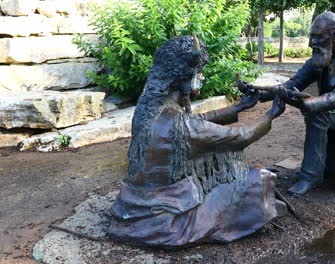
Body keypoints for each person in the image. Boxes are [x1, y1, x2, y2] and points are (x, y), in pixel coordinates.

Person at [107, 35, 286, 247]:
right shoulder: (180, 126)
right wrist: (271, 115)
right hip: (168, 220)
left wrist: (238, 107)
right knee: (258, 177)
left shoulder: (149, 113)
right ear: (184, 77)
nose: (201, 78)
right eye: (199, 73)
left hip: (136, 204)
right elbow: (240, 137)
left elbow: (196, 121)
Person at [240, 11, 335, 195]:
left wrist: (309, 104)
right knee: (316, 112)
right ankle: (313, 172)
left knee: (318, 115)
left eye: (318, 37)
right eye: (312, 37)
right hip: (332, 106)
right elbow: (293, 83)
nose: (311, 43)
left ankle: (311, 177)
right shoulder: (320, 57)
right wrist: (261, 94)